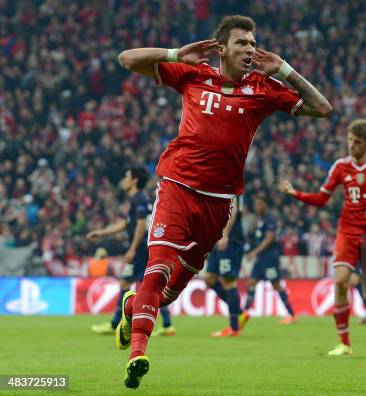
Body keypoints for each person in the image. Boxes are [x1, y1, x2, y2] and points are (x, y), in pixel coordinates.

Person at [115, 15, 331, 388]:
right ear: (222, 49)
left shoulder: (263, 88)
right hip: (177, 186)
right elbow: (126, 59)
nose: (249, 50)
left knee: (168, 293)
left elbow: (321, 108)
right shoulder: (193, 73)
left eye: (252, 43)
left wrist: (286, 70)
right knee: (158, 267)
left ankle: (133, 308)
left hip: (218, 203)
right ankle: (138, 353)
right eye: (241, 44)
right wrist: (175, 54)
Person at [280, 119, 366, 356]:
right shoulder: (340, 167)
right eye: (349, 140)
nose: (352, 146)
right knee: (340, 281)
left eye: (358, 142)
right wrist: (295, 193)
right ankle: (345, 343)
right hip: (347, 231)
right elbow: (322, 198)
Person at [87, 167, 174, 337]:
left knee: (125, 282)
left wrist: (132, 249)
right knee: (151, 286)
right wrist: (102, 232)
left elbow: (142, 224)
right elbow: (127, 223)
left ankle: (114, 324)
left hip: (141, 248)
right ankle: (168, 325)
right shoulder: (138, 199)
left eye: (127, 176)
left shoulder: (138, 199)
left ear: (134, 180)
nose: (124, 179)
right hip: (145, 247)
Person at [243, 195, 297, 323]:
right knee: (251, 282)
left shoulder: (269, 218)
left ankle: (292, 315)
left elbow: (269, 239)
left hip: (270, 257)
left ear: (265, 205)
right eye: (256, 205)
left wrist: (254, 252)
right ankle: (244, 313)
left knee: (276, 284)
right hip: (261, 258)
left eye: (259, 204)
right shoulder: (259, 219)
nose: (257, 207)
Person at [204, 196, 249, 337]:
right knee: (209, 279)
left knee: (229, 281)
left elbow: (233, 210)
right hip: (217, 240)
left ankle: (234, 327)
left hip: (230, 241)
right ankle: (240, 313)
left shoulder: (231, 187)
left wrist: (226, 234)